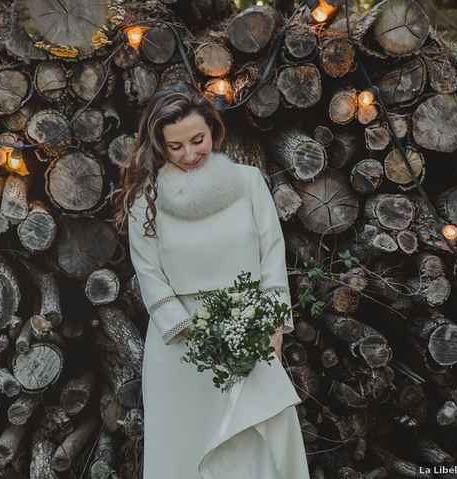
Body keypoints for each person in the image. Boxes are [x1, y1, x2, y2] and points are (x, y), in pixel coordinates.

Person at [113, 82, 311, 479]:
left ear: (213, 131)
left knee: (266, 432)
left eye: (197, 140)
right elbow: (149, 275)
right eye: (175, 147)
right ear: (160, 146)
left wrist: (273, 324)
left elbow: (271, 255)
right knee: (187, 446)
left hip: (249, 327)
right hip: (182, 347)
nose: (190, 154)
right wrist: (188, 329)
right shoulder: (145, 199)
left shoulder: (249, 182)